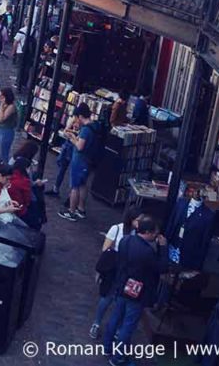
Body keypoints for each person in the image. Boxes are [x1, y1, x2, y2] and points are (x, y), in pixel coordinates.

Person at [102, 215, 168, 366]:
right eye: (155, 234)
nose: (156, 236)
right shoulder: (146, 252)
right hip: (137, 290)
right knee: (128, 324)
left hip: (122, 283)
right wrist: (163, 248)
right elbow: (162, 267)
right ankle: (118, 357)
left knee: (115, 316)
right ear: (148, 232)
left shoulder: (125, 240)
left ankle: (107, 346)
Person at [90, 207, 141, 340]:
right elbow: (105, 250)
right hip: (114, 269)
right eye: (138, 220)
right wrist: (100, 271)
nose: (140, 223)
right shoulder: (116, 229)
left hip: (129, 270)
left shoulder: (139, 234)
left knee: (122, 301)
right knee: (107, 298)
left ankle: (116, 328)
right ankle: (96, 323)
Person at [60, 103, 95, 222]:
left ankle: (71, 211)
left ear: (80, 116)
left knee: (74, 186)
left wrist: (71, 138)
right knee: (82, 185)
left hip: (80, 161)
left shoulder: (85, 130)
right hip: (88, 160)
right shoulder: (93, 125)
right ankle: (81, 209)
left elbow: (80, 146)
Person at [0, 87, 18, 165]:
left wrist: (1, 106)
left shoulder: (11, 107)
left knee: (4, 154)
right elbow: (0, 113)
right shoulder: (5, 104)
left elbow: (2, 118)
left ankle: (5, 168)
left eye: (1, 95)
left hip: (7, 131)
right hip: (0, 129)